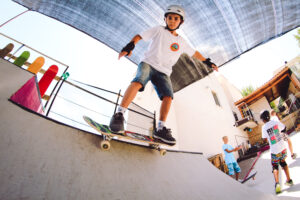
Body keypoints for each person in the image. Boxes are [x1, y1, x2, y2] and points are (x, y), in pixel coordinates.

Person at [109, 5, 218, 145]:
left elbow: (195, 53)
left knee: (168, 96)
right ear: (165, 19)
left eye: (176, 19)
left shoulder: (182, 42)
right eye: (170, 18)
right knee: (138, 81)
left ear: (181, 22)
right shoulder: (158, 30)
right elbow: (139, 36)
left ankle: (160, 128)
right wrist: (130, 45)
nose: (172, 21)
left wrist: (208, 62)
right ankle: (119, 114)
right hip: (148, 63)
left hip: (164, 72)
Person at [260, 110, 293, 194]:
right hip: (282, 147)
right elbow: (284, 128)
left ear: (262, 119)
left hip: (274, 150)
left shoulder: (264, 127)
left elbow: (264, 139)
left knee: (275, 166)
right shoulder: (275, 122)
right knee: (283, 162)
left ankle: (277, 184)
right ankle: (289, 180)